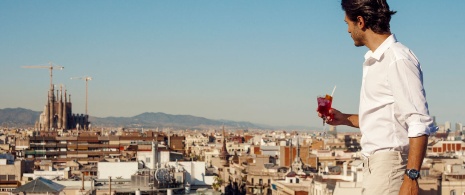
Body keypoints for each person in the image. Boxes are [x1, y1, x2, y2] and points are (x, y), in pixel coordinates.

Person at [317, 0, 436, 194]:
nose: (347, 30)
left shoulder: (397, 59)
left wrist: (411, 177)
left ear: (361, 22)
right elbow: (385, 121)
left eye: (348, 23)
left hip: (389, 167)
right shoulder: (375, 61)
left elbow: (419, 122)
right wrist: (344, 119)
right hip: (376, 167)